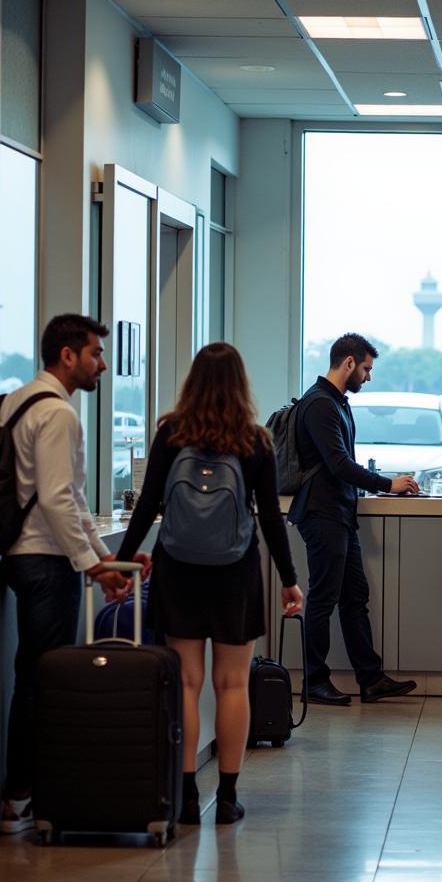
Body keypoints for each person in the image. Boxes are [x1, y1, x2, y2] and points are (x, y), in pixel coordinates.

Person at [116, 342, 303, 825]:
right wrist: (289, 579)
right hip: (235, 572)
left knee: (186, 682)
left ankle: (182, 796)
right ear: (241, 385)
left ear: (192, 382)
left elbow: (147, 505)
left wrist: (120, 563)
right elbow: (270, 520)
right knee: (232, 683)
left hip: (178, 567)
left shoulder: (172, 434)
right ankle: (226, 797)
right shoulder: (255, 441)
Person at [0, 314, 141, 833]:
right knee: (40, 679)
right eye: (95, 354)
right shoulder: (58, 415)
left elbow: (69, 499)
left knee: (32, 675)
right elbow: (60, 501)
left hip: (17, 553)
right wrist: (95, 568)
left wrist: (100, 560)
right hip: (43, 559)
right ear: (67, 355)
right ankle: (22, 797)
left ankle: (26, 790)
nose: (102, 364)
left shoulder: (11, 403)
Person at [288, 333, 418, 706]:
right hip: (323, 514)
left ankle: (370, 678)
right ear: (348, 363)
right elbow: (339, 464)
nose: (368, 376)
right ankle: (314, 681)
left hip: (340, 513)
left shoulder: (336, 403)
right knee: (324, 598)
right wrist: (387, 484)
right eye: (366, 368)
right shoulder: (319, 405)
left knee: (354, 598)